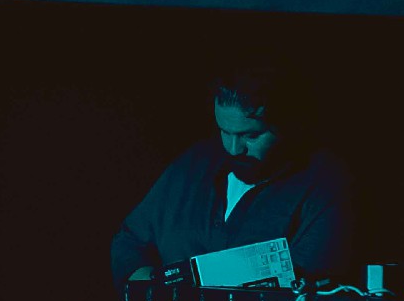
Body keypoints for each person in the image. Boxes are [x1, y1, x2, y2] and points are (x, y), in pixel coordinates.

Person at [109, 68, 356, 286]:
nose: (234, 149)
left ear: (289, 126)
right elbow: (130, 240)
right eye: (224, 132)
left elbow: (311, 281)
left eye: (251, 136)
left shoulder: (324, 182)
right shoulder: (192, 165)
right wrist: (149, 285)